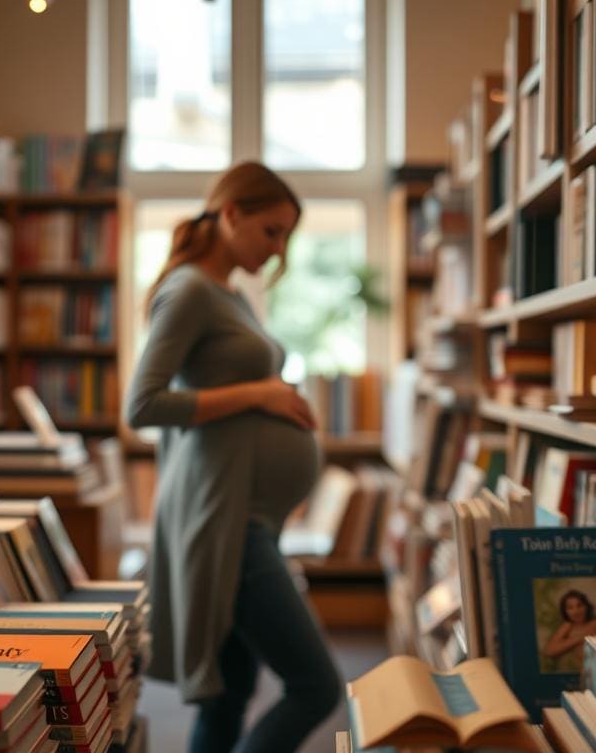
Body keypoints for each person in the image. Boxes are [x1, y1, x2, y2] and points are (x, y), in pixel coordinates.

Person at [125, 162, 342, 753]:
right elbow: (142, 405)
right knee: (317, 688)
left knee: (227, 698)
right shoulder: (190, 290)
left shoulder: (229, 294)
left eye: (287, 237)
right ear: (230, 214)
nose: (278, 251)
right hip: (226, 523)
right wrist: (260, 394)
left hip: (247, 519)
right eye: (271, 231)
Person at [541, 589, 596, 671]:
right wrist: (578, 637)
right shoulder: (568, 626)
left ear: (586, 607)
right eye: (570, 608)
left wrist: (574, 636)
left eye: (579, 605)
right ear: (565, 611)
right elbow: (548, 651)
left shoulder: (595, 624)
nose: (576, 611)